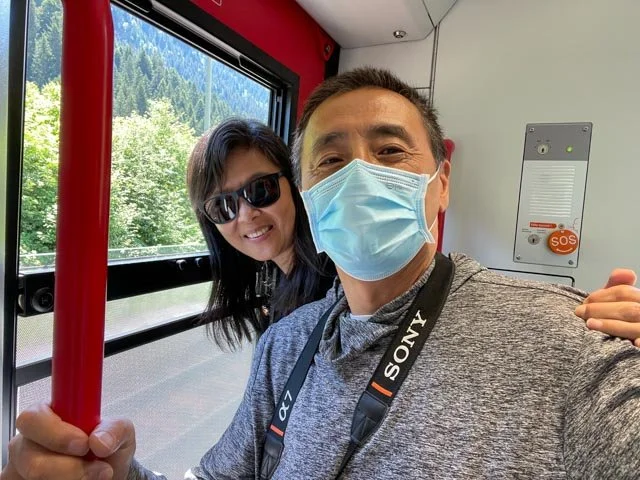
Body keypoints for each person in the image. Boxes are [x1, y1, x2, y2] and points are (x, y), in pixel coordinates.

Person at [5, 68, 640, 479]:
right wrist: (114, 474)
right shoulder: (285, 346)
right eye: (331, 161)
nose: (361, 174)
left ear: (441, 183)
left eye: (390, 150)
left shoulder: (567, 338)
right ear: (311, 193)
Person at [186, 119, 335, 348]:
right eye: (223, 205)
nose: (246, 215)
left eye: (260, 189)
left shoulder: (336, 288)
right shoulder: (278, 281)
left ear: (294, 183)